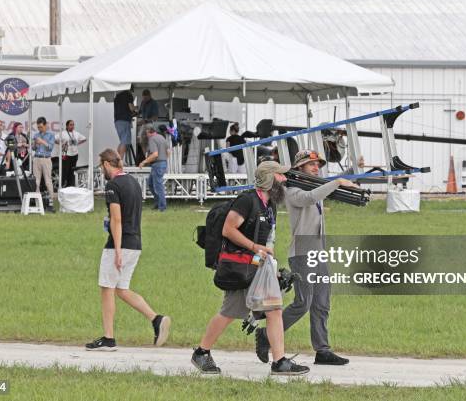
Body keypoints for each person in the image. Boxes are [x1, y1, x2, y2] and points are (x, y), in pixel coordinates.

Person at [191, 160, 310, 376]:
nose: (284, 180)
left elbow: (268, 240)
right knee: (229, 312)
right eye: (280, 176)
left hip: (259, 267)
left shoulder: (269, 205)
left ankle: (279, 362)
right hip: (240, 267)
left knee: (274, 311)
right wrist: (255, 247)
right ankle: (201, 352)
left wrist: (272, 268)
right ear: (269, 179)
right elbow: (228, 229)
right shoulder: (247, 201)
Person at [254, 150, 360, 366]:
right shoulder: (291, 191)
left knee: (322, 302)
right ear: (299, 167)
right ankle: (266, 335)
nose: (316, 167)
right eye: (311, 164)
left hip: (318, 253)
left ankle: (322, 350)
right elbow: (311, 198)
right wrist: (337, 181)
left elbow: (326, 187)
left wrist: (352, 170)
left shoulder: (315, 186)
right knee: (303, 303)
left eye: (317, 164)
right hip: (302, 253)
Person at [86, 149, 171, 351]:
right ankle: (156, 319)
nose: (102, 171)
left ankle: (108, 338)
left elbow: (117, 219)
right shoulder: (133, 182)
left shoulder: (113, 185)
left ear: (107, 164)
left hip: (120, 244)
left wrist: (116, 250)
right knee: (121, 289)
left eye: (101, 167)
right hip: (135, 243)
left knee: (107, 289)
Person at [138, 126, 169, 212]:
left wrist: (144, 162)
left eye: (146, 134)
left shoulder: (152, 139)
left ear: (148, 132)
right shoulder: (162, 137)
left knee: (158, 186)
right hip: (162, 163)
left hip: (157, 164)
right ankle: (158, 202)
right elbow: (169, 151)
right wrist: (164, 160)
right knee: (151, 183)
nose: (146, 136)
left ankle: (162, 207)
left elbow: (155, 154)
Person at [32, 116, 55, 210]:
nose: (40, 129)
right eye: (38, 127)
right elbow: (33, 148)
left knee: (47, 181)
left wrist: (42, 141)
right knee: (36, 181)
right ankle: (38, 202)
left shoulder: (51, 135)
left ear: (46, 125)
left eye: (41, 127)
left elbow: (50, 147)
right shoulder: (36, 134)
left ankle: (51, 201)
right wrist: (35, 144)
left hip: (46, 159)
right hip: (37, 158)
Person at [56, 120, 87, 187]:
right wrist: (61, 144)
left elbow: (84, 138)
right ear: (67, 126)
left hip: (74, 154)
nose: (72, 126)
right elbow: (54, 139)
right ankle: (63, 184)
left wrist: (77, 143)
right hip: (66, 154)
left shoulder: (76, 133)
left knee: (72, 170)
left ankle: (71, 185)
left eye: (73, 125)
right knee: (65, 170)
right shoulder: (63, 133)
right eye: (70, 125)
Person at [136, 89, 160, 164]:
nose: (144, 99)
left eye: (146, 98)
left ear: (150, 96)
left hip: (150, 124)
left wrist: (145, 120)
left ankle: (151, 159)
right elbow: (139, 112)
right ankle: (147, 158)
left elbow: (155, 117)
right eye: (143, 98)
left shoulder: (154, 103)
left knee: (149, 142)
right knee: (141, 141)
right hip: (144, 124)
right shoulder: (143, 102)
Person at [113, 90, 136, 161]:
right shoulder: (128, 95)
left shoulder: (117, 96)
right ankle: (120, 161)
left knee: (122, 141)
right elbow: (131, 108)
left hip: (117, 121)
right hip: (125, 121)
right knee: (125, 142)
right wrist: (136, 108)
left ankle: (116, 159)